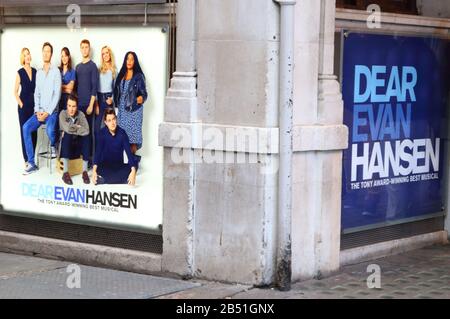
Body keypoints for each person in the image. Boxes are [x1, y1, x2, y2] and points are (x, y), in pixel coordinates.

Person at [22, 42, 61, 175]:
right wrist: (37, 111)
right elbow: (37, 93)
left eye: (48, 51)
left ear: (51, 54)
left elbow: (57, 94)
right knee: (26, 127)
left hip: (51, 113)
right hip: (39, 112)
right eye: (44, 51)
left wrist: (47, 112)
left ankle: (55, 144)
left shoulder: (56, 72)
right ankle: (31, 163)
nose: (46, 53)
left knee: (50, 131)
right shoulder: (38, 73)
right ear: (42, 53)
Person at [114, 51, 147, 156]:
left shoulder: (138, 76)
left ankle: (132, 165)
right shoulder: (121, 74)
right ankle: (126, 164)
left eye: (132, 59)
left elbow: (144, 93)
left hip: (134, 111)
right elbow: (117, 91)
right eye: (127, 59)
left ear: (135, 61)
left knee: (132, 139)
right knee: (121, 137)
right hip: (122, 111)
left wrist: (140, 98)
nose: (129, 61)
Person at [92, 108, 137, 185]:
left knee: (134, 166)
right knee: (99, 169)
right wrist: (93, 171)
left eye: (113, 119)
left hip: (118, 166)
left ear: (116, 119)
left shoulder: (122, 133)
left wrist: (133, 171)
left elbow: (129, 153)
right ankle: (122, 180)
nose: (112, 123)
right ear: (105, 122)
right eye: (109, 120)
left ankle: (105, 180)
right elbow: (98, 153)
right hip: (105, 166)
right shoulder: (101, 133)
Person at [59, 93, 90, 185]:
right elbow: (66, 128)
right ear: (66, 105)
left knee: (86, 137)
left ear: (77, 106)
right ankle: (65, 173)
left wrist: (71, 128)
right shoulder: (62, 114)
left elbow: (87, 130)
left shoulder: (80, 114)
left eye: (74, 106)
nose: (71, 109)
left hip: (77, 148)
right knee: (67, 135)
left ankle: (84, 172)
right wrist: (77, 127)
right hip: (65, 149)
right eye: (69, 106)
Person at [75, 39, 98, 159]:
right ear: (80, 49)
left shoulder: (93, 66)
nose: (84, 49)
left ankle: (88, 159)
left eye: (86, 47)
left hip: (88, 105)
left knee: (88, 132)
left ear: (89, 49)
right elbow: (77, 86)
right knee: (79, 131)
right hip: (78, 105)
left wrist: (91, 105)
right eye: (82, 47)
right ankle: (81, 157)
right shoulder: (78, 67)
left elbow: (94, 87)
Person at [14, 48, 37, 168]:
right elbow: (15, 92)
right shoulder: (20, 72)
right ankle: (26, 160)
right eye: (25, 55)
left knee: (34, 132)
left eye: (28, 54)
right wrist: (21, 104)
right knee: (24, 132)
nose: (27, 56)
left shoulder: (35, 71)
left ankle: (32, 159)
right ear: (23, 58)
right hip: (23, 108)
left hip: (34, 107)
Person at [96, 45, 116, 134]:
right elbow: (95, 86)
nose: (105, 55)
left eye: (107, 53)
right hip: (99, 99)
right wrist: (96, 103)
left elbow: (116, 89)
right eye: (103, 54)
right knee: (97, 128)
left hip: (108, 100)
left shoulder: (114, 71)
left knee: (109, 129)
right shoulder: (98, 70)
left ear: (110, 54)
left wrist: (112, 98)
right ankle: (98, 148)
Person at [58, 47, 75, 113]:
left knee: (67, 120)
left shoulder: (72, 71)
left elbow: (71, 88)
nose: (64, 58)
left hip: (68, 100)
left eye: (65, 56)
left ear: (69, 57)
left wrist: (61, 86)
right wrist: (66, 87)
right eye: (62, 56)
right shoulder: (58, 70)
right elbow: (56, 86)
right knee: (58, 119)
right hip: (58, 99)